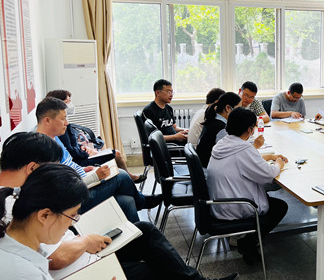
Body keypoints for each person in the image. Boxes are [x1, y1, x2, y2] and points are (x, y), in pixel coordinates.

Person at [0, 139, 238, 280]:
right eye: (72, 216)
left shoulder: (17, 200)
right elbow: (55, 258)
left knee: (142, 227)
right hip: (81, 260)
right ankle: (142, 200)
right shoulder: (18, 218)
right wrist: (85, 241)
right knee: (157, 267)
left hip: (81, 250)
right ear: (33, 168)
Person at [35, 97, 158, 222]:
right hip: (75, 199)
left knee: (127, 200)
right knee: (121, 175)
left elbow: (68, 165)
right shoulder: (42, 149)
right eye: (63, 118)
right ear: (47, 120)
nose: (67, 123)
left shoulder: (55, 138)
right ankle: (142, 202)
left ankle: (138, 231)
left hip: (82, 182)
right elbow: (63, 190)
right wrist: (94, 177)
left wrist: (84, 169)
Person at [207, 108, 288, 264]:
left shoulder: (224, 143)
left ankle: (247, 239)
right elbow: (269, 174)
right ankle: (248, 242)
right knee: (279, 207)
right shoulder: (243, 149)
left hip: (219, 203)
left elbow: (246, 160)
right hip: (235, 207)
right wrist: (279, 163)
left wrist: (270, 156)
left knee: (268, 198)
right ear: (250, 130)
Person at [0, 164, 89, 280]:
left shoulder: (10, 243)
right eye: (72, 216)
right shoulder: (25, 273)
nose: (70, 224)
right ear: (44, 215)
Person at [46, 89, 144, 183]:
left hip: (81, 156)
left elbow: (72, 145)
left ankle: (128, 177)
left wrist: (82, 147)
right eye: (67, 102)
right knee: (117, 155)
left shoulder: (64, 124)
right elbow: (71, 152)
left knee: (112, 154)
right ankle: (129, 177)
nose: (70, 105)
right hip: (80, 161)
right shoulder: (59, 129)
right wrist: (87, 153)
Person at [197, 92, 241, 167]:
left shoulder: (212, 120)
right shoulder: (221, 129)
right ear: (228, 108)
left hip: (204, 165)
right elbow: (232, 155)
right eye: (238, 109)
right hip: (210, 169)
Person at [143, 79, 189, 146]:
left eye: (172, 92)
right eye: (168, 92)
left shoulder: (169, 108)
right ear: (157, 93)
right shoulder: (148, 111)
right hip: (165, 146)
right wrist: (175, 137)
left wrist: (185, 130)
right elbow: (152, 137)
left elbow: (174, 127)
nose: (171, 95)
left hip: (175, 141)